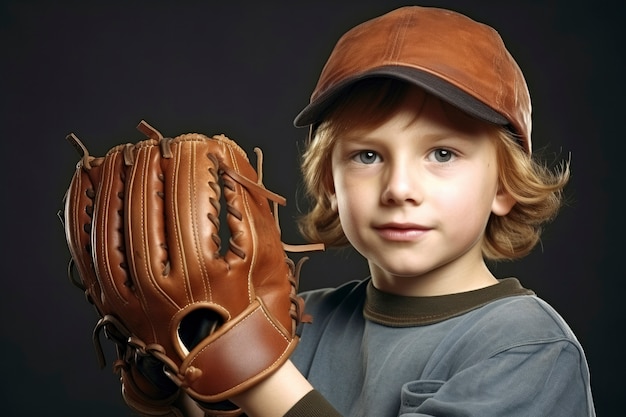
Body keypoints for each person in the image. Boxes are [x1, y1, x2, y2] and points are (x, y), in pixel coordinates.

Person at [223, 5, 596, 416]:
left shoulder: (529, 348)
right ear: (330, 184)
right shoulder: (293, 323)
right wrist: (177, 362)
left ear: (504, 184)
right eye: (367, 156)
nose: (399, 189)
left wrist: (259, 375)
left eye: (442, 153)